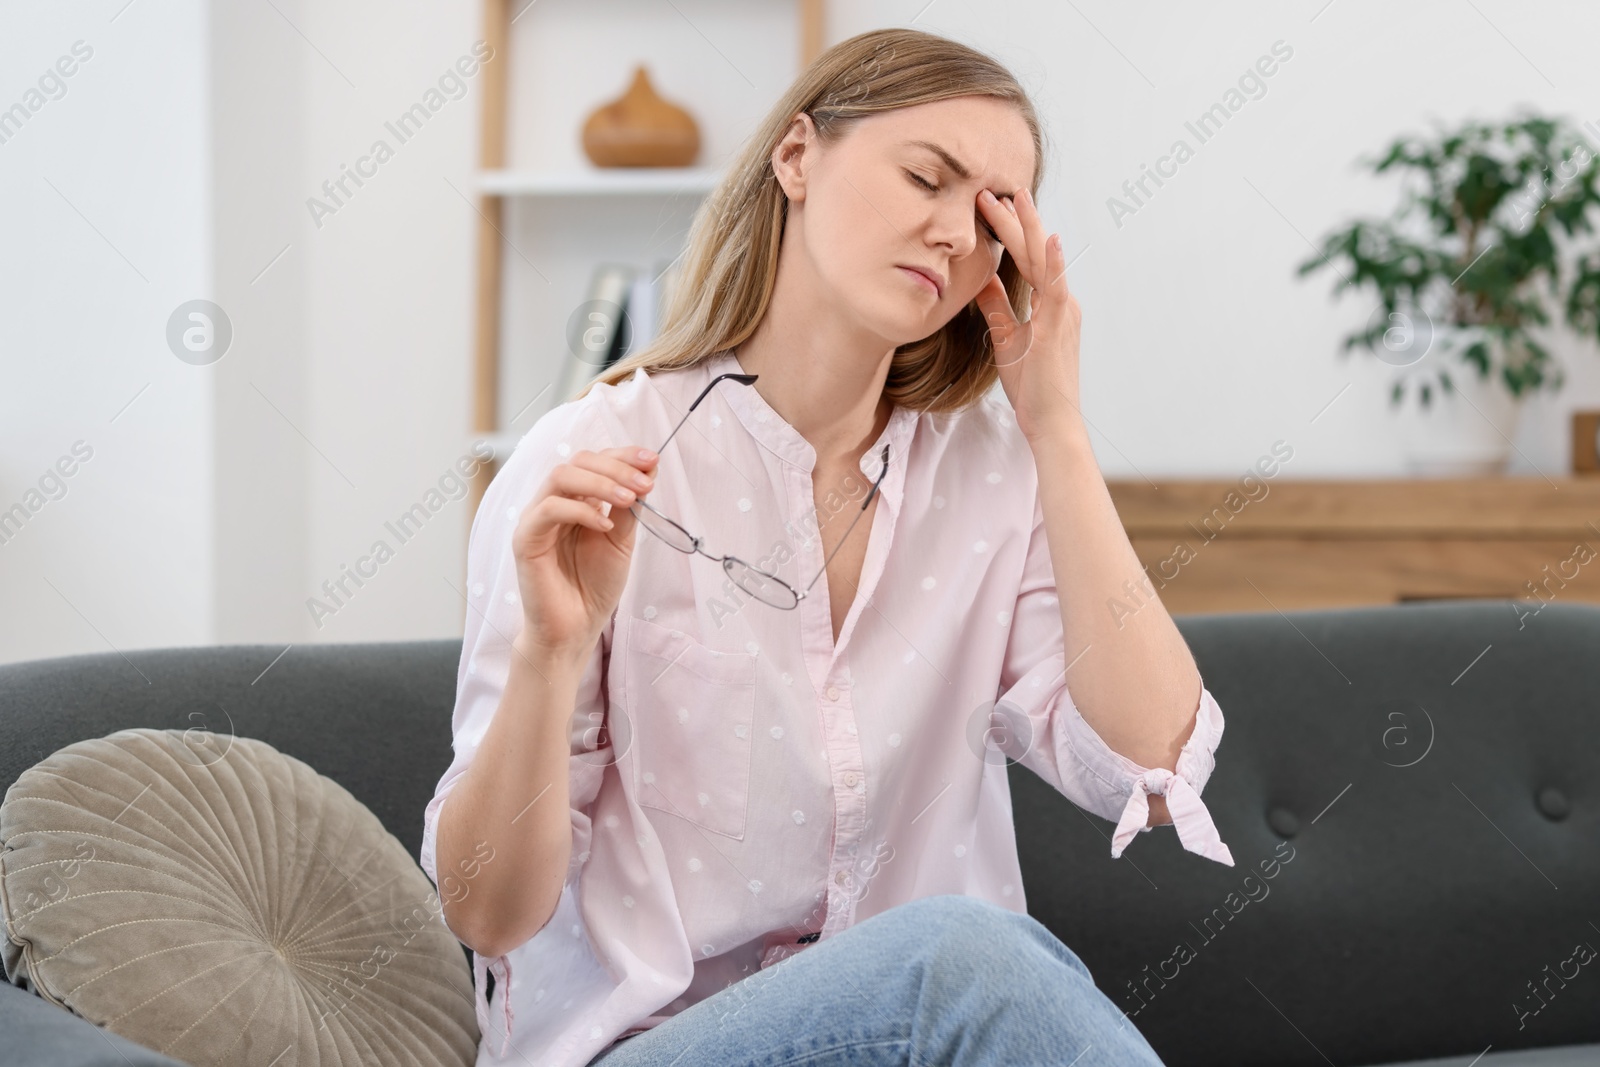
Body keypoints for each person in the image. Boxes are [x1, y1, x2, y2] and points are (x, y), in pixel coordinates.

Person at [420, 25, 1235, 1067]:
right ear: (796, 156)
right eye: (925, 178)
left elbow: (1153, 766)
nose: (953, 233)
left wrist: (1058, 433)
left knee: (957, 959)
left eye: (992, 213)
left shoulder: (993, 475)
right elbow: (488, 911)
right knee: (959, 954)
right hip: (648, 1046)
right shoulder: (597, 458)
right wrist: (549, 653)